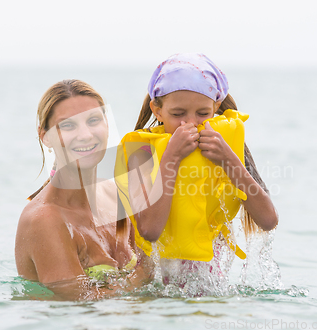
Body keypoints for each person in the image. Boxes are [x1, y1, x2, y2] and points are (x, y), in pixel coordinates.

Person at [116, 54, 278, 288]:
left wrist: (229, 161)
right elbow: (150, 230)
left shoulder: (225, 147)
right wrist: (171, 158)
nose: (190, 123)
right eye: (178, 114)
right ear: (157, 110)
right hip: (153, 294)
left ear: (216, 107)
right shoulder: (140, 153)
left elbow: (268, 220)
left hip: (208, 291)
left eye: (203, 114)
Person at [15, 80, 153, 301]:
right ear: (45, 136)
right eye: (68, 126)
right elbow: (78, 301)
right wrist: (147, 270)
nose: (86, 135)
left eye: (93, 120)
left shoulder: (116, 194)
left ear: (107, 124)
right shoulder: (44, 220)